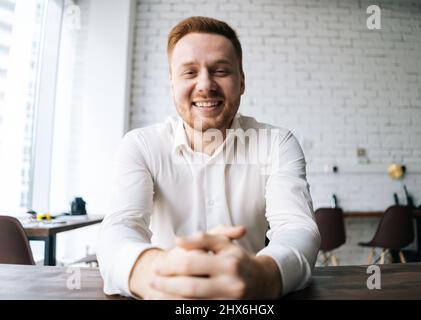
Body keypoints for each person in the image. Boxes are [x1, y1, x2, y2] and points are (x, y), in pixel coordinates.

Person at [97, 16, 320, 300]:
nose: (205, 85)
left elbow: (297, 227)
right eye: (189, 72)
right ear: (172, 84)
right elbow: (119, 227)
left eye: (221, 71)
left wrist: (263, 276)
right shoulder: (140, 145)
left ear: (241, 82)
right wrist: (155, 275)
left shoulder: (278, 144)